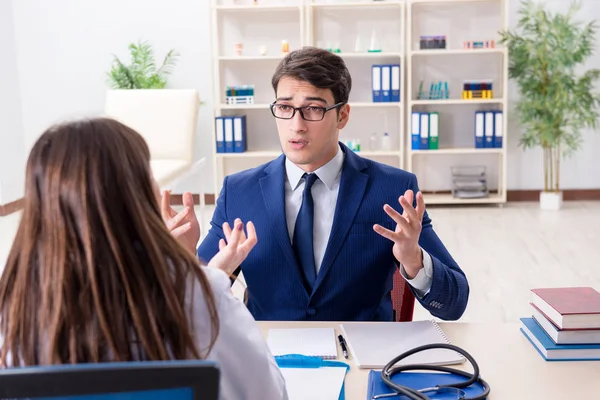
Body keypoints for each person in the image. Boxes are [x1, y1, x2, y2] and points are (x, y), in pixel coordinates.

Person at [0, 118, 287, 400]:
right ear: (134, 196)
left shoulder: (15, 310)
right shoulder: (199, 295)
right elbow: (269, 393)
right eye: (148, 173)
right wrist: (201, 276)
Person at [193, 46, 469, 322]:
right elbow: (190, 306)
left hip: (363, 354)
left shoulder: (393, 189)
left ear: (343, 115)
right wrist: (180, 257)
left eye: (313, 109)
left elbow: (453, 304)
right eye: (285, 107)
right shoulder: (240, 192)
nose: (296, 125)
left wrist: (413, 259)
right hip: (270, 357)